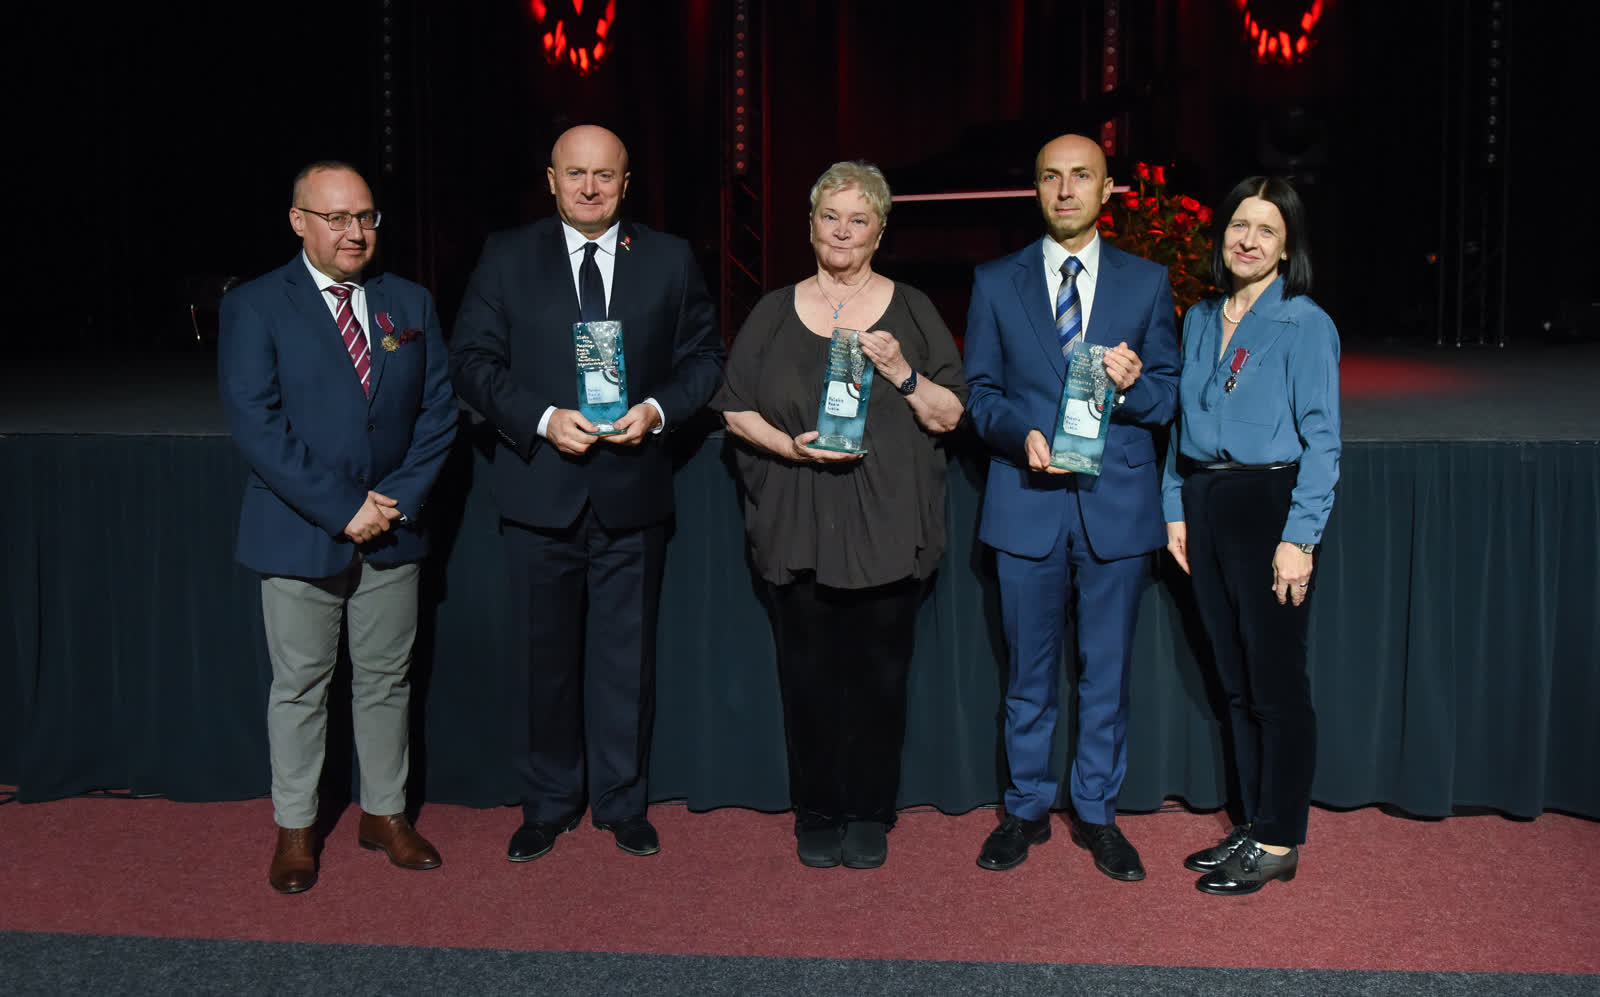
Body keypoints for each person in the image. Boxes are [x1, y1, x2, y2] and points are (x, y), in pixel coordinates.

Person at [450, 124, 724, 863]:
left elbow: (704, 358)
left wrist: (658, 410)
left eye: (606, 175)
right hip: (539, 490)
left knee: (625, 661)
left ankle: (621, 803)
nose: (591, 187)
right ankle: (546, 804)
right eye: (577, 173)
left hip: (633, 493)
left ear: (627, 184)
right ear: (551, 180)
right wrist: (540, 420)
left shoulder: (666, 259)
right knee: (543, 660)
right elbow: (471, 361)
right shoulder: (507, 257)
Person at [713, 161, 967, 869]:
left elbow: (951, 414)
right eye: (832, 216)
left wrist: (902, 373)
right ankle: (818, 808)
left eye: (860, 219)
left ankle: (868, 809)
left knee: (881, 681)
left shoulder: (911, 309)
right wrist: (789, 448)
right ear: (811, 224)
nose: (844, 231)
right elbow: (733, 409)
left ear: (880, 230)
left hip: (888, 529)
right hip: (799, 528)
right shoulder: (772, 311)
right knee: (808, 678)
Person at [218, 161, 458, 894]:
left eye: (366, 217)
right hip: (300, 531)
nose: (355, 232)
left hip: (393, 528)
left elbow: (438, 413)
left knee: (386, 680)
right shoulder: (256, 305)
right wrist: (342, 507)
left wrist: (392, 500)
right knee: (300, 685)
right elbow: (258, 427)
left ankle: (384, 813)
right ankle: (296, 827)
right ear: (299, 222)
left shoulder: (407, 300)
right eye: (336, 218)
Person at [964, 134, 1179, 879]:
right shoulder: (996, 282)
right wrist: (1016, 432)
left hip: (1114, 505)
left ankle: (1097, 812)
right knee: (1027, 673)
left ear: (1107, 189)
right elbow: (979, 394)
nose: (1065, 190)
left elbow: (1165, 397)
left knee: (1106, 672)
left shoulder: (1147, 283)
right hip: (1026, 502)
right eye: (1050, 177)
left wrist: (1131, 382)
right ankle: (1025, 808)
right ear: (1036, 189)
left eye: (1080, 177)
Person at [1162, 175, 1340, 896]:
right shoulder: (1200, 317)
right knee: (1233, 682)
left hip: (1269, 500)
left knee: (1275, 683)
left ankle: (1278, 837)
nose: (1248, 239)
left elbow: (1324, 441)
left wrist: (1300, 536)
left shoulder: (1304, 322)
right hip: (1204, 499)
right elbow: (1181, 424)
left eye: (1266, 229)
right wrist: (1174, 503)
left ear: (1286, 245)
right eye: (1239, 224)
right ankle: (1252, 817)